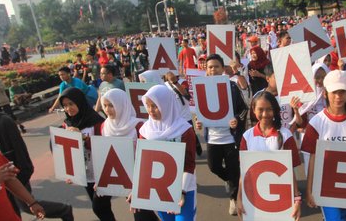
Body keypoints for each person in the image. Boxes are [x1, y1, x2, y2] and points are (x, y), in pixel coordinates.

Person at [0, 89, 73, 220]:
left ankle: (63, 210)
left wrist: (22, 174)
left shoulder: (4, 121)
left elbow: (20, 151)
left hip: (14, 173)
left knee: (27, 204)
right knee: (10, 207)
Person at [301, 70, 346, 221]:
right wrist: (309, 190)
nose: (338, 97)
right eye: (334, 92)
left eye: (342, 92)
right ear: (326, 94)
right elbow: (312, 159)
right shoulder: (316, 123)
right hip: (326, 187)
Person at [195, 54, 248, 216]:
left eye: (216, 66)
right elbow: (200, 113)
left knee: (233, 168)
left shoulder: (232, 87)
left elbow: (243, 108)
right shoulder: (201, 88)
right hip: (212, 138)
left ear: (222, 68)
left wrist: (236, 120)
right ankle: (233, 182)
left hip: (230, 137)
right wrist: (199, 121)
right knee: (213, 166)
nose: (213, 69)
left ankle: (233, 197)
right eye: (210, 67)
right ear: (207, 70)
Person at [236, 91, 302, 220]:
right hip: (254, 196)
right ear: (253, 110)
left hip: (280, 197)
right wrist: (239, 198)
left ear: (275, 111)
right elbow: (244, 171)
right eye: (260, 110)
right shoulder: (247, 136)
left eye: (269, 109)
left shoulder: (286, 135)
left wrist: (297, 200)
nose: (265, 114)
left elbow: (291, 172)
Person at [99, 89, 159, 221]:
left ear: (121, 104)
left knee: (141, 215)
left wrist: (140, 183)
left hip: (142, 177)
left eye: (111, 105)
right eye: (105, 105)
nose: (107, 109)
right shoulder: (104, 126)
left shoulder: (138, 126)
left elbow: (148, 156)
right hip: (123, 178)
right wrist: (102, 177)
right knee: (144, 214)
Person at [138, 85, 197, 221]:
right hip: (159, 189)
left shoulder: (184, 130)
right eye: (148, 105)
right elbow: (143, 164)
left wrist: (182, 191)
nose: (151, 110)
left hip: (185, 187)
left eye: (155, 106)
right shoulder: (145, 131)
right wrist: (136, 191)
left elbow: (189, 164)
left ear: (166, 104)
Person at [59, 88, 110, 220]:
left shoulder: (97, 122)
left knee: (98, 207)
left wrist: (82, 138)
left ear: (80, 102)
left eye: (71, 104)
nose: (68, 109)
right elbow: (66, 151)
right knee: (103, 210)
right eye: (64, 106)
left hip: (102, 173)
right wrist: (70, 172)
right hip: (86, 174)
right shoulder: (67, 124)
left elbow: (104, 148)